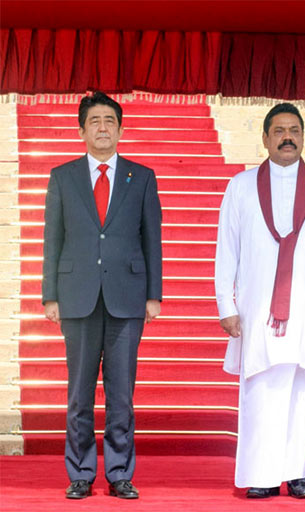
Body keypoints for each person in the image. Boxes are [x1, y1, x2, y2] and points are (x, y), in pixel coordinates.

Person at [215, 103, 305, 499]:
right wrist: (227, 303)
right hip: (258, 308)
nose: (287, 137)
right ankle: (260, 473)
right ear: (265, 138)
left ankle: (296, 472)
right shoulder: (241, 186)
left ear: (303, 137)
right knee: (261, 388)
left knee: (304, 391)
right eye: (278, 130)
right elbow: (228, 248)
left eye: (294, 130)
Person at [42, 91, 162, 499]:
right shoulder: (63, 177)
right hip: (76, 297)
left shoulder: (141, 177)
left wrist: (154, 295)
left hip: (127, 297)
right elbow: (52, 238)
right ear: (81, 131)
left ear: (121, 129)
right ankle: (79, 473)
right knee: (79, 393)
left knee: (121, 393)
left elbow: (152, 239)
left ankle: (119, 473)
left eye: (110, 120)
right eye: (94, 121)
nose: (103, 128)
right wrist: (49, 295)